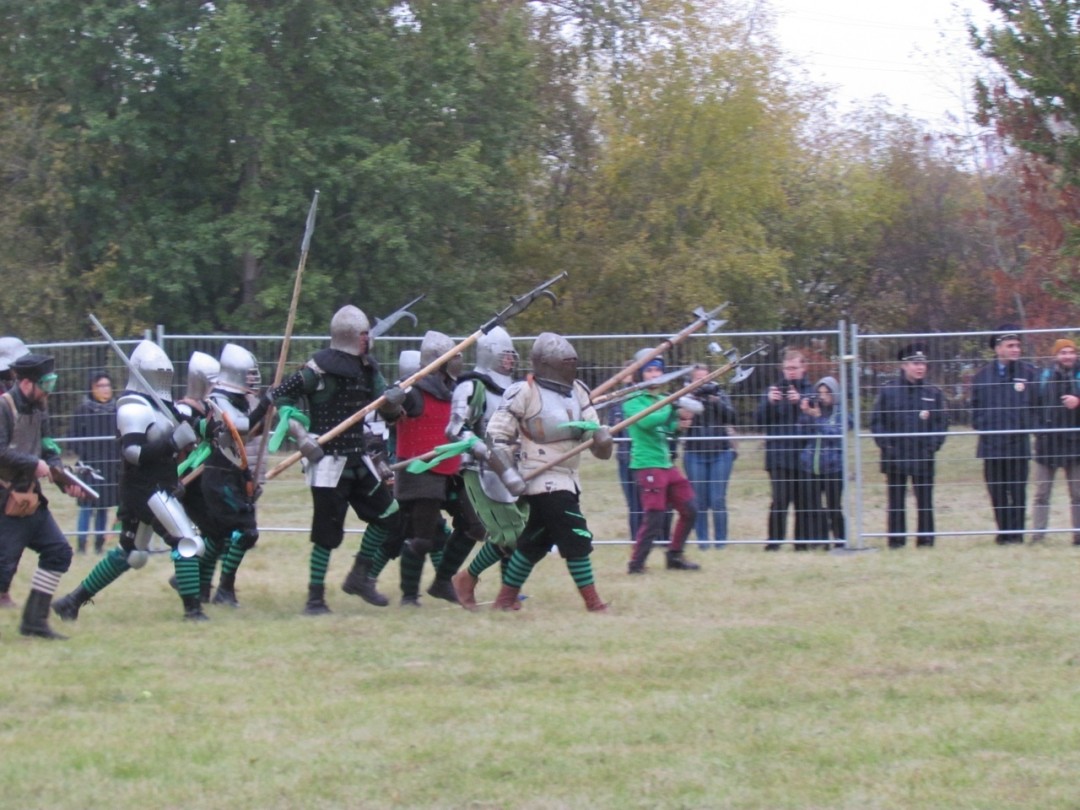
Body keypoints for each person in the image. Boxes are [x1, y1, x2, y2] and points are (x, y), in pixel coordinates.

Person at [254, 304, 405, 615]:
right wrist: (301, 434)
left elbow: (387, 409)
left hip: (358, 458)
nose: (369, 339)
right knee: (327, 533)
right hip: (326, 461)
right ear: (355, 336)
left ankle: (359, 576)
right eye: (366, 334)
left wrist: (393, 401)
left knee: (389, 514)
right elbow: (280, 397)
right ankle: (315, 598)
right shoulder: (317, 370)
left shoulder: (368, 369)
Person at [52, 340, 209, 623]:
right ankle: (193, 611)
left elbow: (190, 423)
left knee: (133, 553)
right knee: (187, 542)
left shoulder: (161, 405)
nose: (163, 379)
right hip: (146, 487)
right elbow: (134, 453)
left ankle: (71, 602)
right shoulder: (132, 408)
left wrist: (208, 427)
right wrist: (174, 441)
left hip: (155, 484)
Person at [484, 332, 613, 611]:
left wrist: (603, 440)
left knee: (536, 541)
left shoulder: (577, 390)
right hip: (540, 475)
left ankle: (504, 600)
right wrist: (509, 475)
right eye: (566, 363)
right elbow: (495, 436)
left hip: (568, 476)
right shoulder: (524, 392)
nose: (571, 368)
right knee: (575, 534)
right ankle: (594, 603)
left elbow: (595, 437)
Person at [389, 330, 486, 607]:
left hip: (453, 469)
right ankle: (409, 597)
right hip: (420, 471)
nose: (459, 360)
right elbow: (391, 415)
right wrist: (391, 402)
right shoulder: (413, 391)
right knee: (422, 538)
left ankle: (443, 581)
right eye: (454, 356)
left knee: (475, 525)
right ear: (440, 361)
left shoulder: (457, 390)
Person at [0, 354, 81, 638]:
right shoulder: (3, 407)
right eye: (45, 384)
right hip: (3, 503)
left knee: (58, 553)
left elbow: (48, 449)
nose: (48, 391)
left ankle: (34, 623)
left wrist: (62, 478)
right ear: (25, 382)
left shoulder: (39, 408)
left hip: (29, 501)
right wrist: (33, 464)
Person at [447, 327, 528, 610]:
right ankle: (465, 579)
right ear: (489, 353)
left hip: (515, 468)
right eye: (504, 354)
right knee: (509, 533)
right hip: (481, 470)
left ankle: (508, 596)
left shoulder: (517, 390)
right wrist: (483, 449)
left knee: (522, 531)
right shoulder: (471, 386)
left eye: (511, 354)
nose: (509, 360)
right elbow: (456, 429)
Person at [624, 353, 700, 573]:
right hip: (647, 464)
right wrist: (672, 406)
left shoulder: (663, 399)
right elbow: (648, 422)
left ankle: (674, 555)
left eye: (658, 370)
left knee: (690, 509)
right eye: (649, 370)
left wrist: (678, 426)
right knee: (655, 517)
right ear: (640, 374)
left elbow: (666, 430)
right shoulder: (632, 401)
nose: (654, 374)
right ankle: (636, 564)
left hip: (666, 463)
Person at [870, 343, 949, 549]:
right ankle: (896, 542)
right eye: (915, 363)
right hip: (895, 457)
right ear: (904, 366)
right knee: (896, 502)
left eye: (923, 363)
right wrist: (888, 448)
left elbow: (941, 425)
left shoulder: (933, 393)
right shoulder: (889, 391)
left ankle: (926, 541)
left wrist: (931, 447)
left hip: (923, 456)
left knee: (925, 502)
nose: (920, 367)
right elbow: (877, 423)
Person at [200, 344, 260, 606]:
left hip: (232, 474)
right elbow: (240, 428)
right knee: (246, 531)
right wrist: (267, 403)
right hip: (219, 477)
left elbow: (247, 438)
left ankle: (200, 586)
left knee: (217, 535)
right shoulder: (220, 398)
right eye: (248, 374)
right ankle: (224, 588)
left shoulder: (239, 399)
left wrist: (247, 477)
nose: (252, 379)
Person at [970, 325, 1037, 545]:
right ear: (998, 349)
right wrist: (988, 430)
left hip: (1018, 445)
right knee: (997, 492)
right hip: (991, 446)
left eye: (1018, 345)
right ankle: (1003, 533)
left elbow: (1037, 407)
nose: (1016, 349)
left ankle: (1016, 535)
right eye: (1010, 346)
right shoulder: (981, 376)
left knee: (1018, 492)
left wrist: (1023, 427)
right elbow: (976, 411)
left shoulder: (1028, 373)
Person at [754, 349, 814, 550]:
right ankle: (774, 543)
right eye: (788, 368)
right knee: (779, 501)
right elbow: (759, 422)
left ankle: (802, 544)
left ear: (803, 368)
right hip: (778, 457)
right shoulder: (774, 391)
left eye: (795, 368)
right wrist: (770, 403)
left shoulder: (811, 390)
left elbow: (816, 420)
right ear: (782, 369)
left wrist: (800, 403)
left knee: (803, 503)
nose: (791, 372)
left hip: (804, 456)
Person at [682, 364, 738, 550]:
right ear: (691, 381)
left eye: (705, 379)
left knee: (718, 499)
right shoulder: (685, 397)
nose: (702, 383)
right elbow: (679, 420)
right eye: (698, 379)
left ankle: (721, 543)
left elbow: (732, 417)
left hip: (720, 452)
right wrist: (691, 399)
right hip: (694, 453)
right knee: (699, 501)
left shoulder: (719, 394)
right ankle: (703, 543)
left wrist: (715, 400)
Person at [1032, 338, 1080, 544]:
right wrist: (1040, 432)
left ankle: (1078, 535)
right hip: (1047, 444)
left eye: (1071, 352)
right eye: (1063, 352)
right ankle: (1038, 536)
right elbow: (1031, 407)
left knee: (1078, 494)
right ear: (1056, 355)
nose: (1067, 356)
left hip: (1075, 444)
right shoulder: (1043, 377)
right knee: (1041, 493)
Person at [69, 371, 121, 554]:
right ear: (92, 388)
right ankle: (81, 545)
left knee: (103, 507)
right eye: (101, 386)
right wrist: (86, 455)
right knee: (86, 506)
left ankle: (99, 545)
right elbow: (73, 438)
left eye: (108, 385)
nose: (105, 389)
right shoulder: (83, 410)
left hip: (110, 466)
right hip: (88, 467)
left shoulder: (117, 410)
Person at [798, 375, 846, 549]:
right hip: (811, 466)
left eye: (827, 393)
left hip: (833, 468)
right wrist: (806, 414)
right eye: (820, 392)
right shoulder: (813, 410)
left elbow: (835, 435)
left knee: (834, 506)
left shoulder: (841, 413)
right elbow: (801, 433)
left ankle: (840, 540)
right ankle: (820, 541)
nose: (823, 396)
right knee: (815, 507)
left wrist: (818, 418)